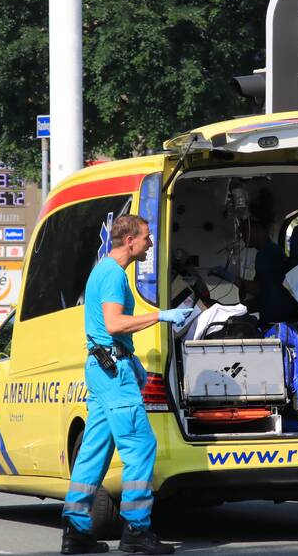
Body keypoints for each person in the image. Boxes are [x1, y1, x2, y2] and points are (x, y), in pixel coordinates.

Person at [60, 214, 192, 555]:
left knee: (94, 451)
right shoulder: (114, 275)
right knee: (141, 446)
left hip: (104, 367)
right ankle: (136, 529)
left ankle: (75, 530)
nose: (150, 243)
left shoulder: (103, 270)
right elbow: (115, 323)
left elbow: (105, 328)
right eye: (146, 237)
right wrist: (160, 315)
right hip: (112, 372)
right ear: (129, 241)